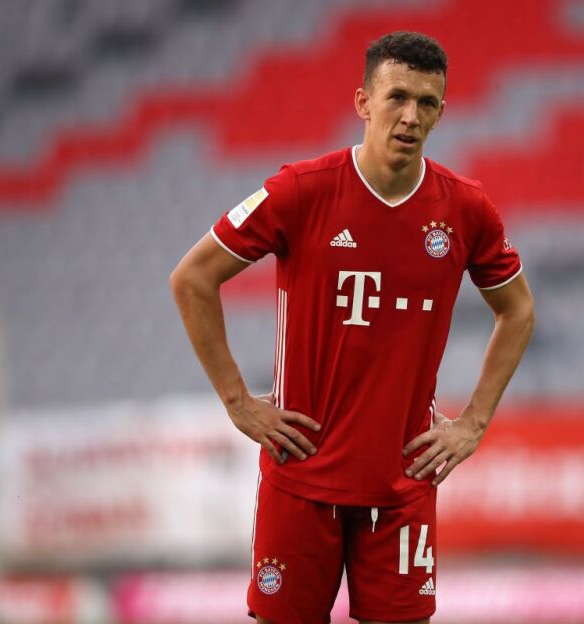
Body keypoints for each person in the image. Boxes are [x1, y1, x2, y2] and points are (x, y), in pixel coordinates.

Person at [170, 31, 534, 624]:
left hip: (403, 482)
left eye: (427, 103)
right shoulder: (301, 191)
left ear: (441, 113)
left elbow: (518, 310)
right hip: (301, 478)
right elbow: (192, 278)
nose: (411, 116)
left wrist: (474, 422)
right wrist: (238, 402)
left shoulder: (465, 209)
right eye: (397, 97)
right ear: (364, 102)